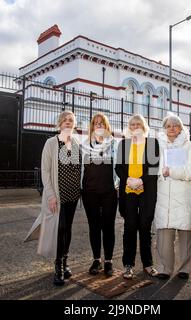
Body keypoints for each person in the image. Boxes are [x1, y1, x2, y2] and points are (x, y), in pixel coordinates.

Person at [24, 111, 81, 286]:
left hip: (73, 194)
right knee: (60, 228)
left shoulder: (77, 143)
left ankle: (65, 260)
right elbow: (45, 170)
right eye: (65, 120)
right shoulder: (51, 143)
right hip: (57, 194)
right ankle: (58, 266)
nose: (68, 123)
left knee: (68, 228)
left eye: (71, 120)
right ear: (59, 124)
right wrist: (50, 195)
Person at [154, 114, 191, 280]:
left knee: (185, 234)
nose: (172, 129)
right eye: (168, 126)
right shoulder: (157, 146)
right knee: (164, 235)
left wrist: (171, 172)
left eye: (176, 125)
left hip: (183, 194)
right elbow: (152, 170)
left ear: (181, 128)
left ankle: (185, 268)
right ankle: (164, 268)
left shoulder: (189, 146)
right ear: (164, 129)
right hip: (163, 194)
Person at [115, 114, 160, 279]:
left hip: (147, 191)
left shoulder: (152, 143)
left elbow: (154, 169)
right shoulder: (124, 144)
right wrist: (128, 180)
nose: (135, 126)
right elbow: (118, 168)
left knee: (145, 227)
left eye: (138, 124)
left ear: (144, 126)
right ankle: (128, 264)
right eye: (132, 124)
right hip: (128, 191)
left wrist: (140, 181)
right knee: (130, 227)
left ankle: (148, 264)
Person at [81, 113, 119, 277]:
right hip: (90, 193)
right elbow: (80, 168)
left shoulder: (114, 145)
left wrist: (117, 184)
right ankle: (96, 260)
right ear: (92, 127)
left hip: (109, 192)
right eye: (96, 123)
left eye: (101, 123)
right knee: (94, 227)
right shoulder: (85, 145)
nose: (98, 126)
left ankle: (108, 261)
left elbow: (120, 167)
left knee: (108, 227)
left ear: (106, 126)